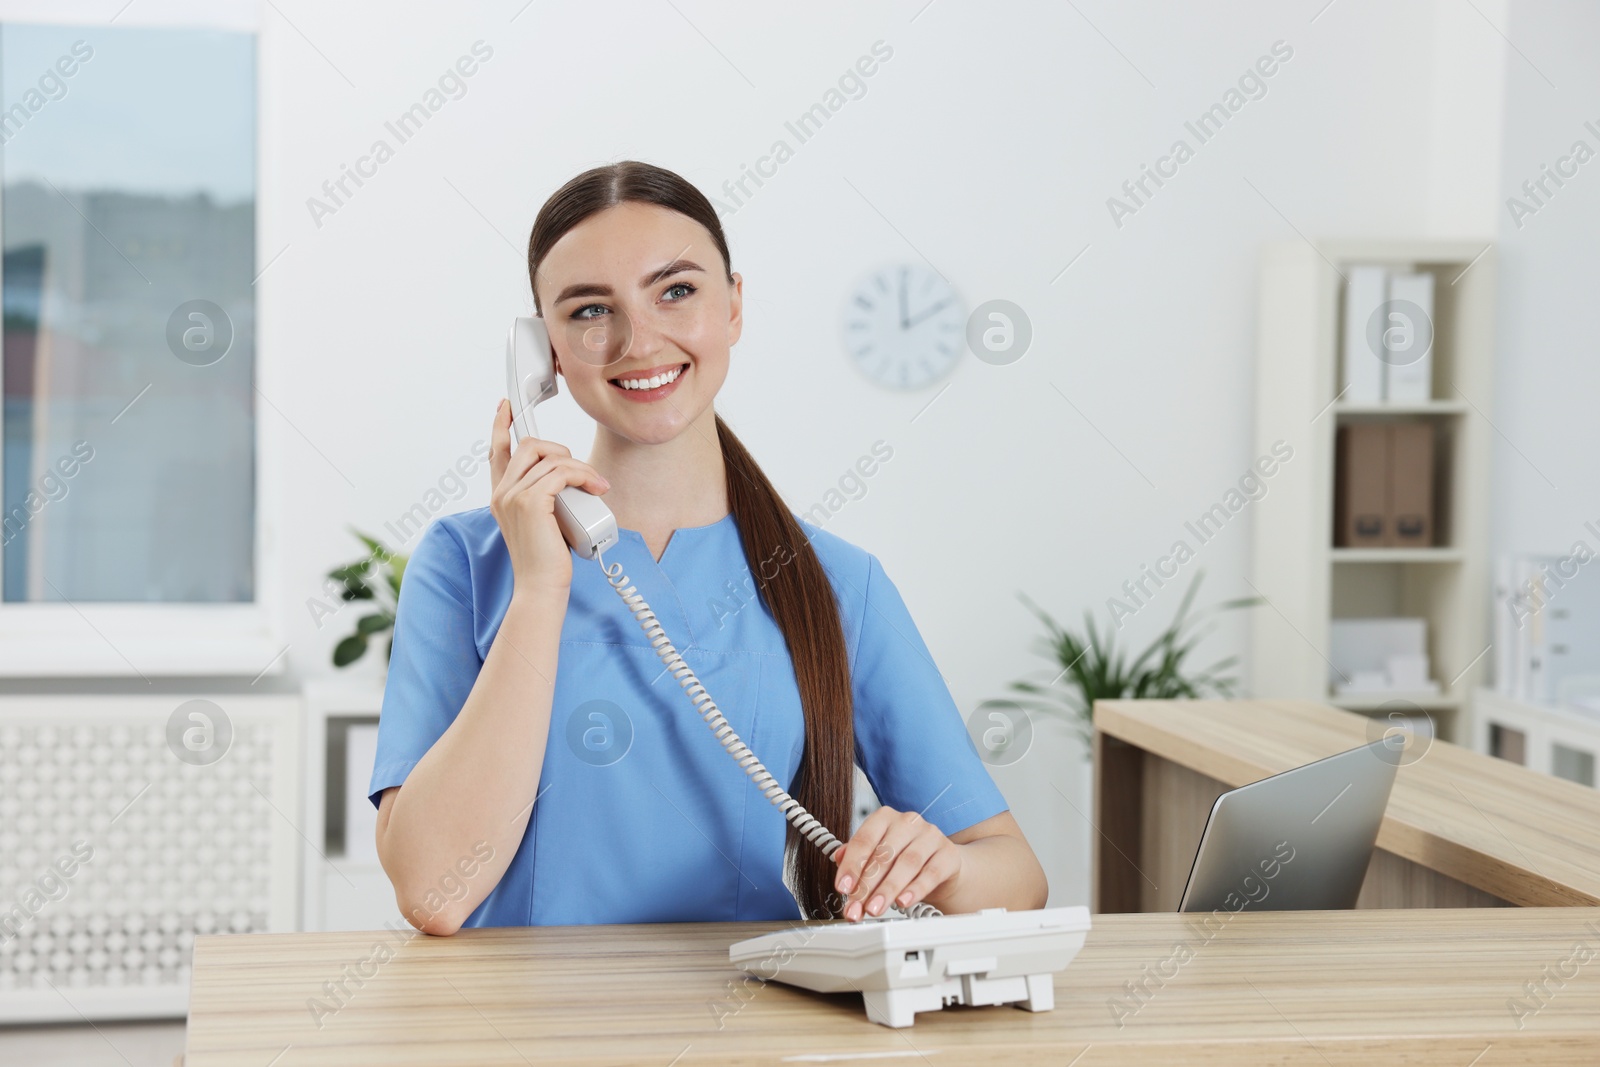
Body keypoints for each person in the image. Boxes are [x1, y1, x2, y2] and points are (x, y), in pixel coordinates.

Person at [369, 160, 1047, 934]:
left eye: (676, 291)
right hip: (516, 1033)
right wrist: (539, 588)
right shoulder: (465, 563)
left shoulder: (835, 582)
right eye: (592, 310)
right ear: (543, 353)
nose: (637, 339)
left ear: (733, 306)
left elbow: (1017, 877)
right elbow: (432, 892)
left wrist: (942, 866)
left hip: (743, 1026)